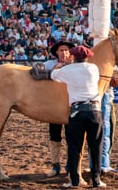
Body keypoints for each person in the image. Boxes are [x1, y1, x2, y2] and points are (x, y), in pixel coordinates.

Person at [51, 45, 105, 188]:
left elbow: (53, 75)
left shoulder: (67, 70)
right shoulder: (94, 68)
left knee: (74, 147)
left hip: (77, 111)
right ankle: (96, 179)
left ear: (73, 56)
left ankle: (74, 180)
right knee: (96, 146)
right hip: (95, 111)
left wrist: (61, 65)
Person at [44, 40, 75, 178]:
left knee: (71, 138)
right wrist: (58, 66)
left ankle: (70, 165)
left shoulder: (75, 66)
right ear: (56, 52)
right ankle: (55, 165)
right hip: (54, 107)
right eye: (61, 50)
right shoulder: (49, 64)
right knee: (54, 136)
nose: (64, 53)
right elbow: (39, 75)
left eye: (66, 50)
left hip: (70, 106)